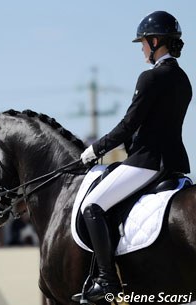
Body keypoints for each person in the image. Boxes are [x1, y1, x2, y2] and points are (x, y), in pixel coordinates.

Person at [72, 11, 192, 303]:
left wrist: (94, 150)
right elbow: (156, 123)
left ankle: (107, 282)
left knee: (92, 206)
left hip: (148, 163)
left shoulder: (151, 77)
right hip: (175, 163)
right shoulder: (183, 79)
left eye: (143, 44)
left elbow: (130, 122)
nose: (142, 50)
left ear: (155, 41)